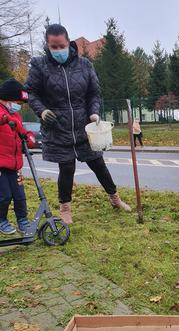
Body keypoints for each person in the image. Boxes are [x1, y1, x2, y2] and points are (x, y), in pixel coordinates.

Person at [25, 24, 131, 225]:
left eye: (61, 46)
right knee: (66, 168)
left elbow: (94, 93)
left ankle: (115, 198)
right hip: (58, 127)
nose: (58, 50)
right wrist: (42, 110)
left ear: (68, 42)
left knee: (98, 164)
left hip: (84, 128)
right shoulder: (40, 66)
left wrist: (93, 112)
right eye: (53, 47)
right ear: (48, 45)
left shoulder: (84, 65)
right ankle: (65, 208)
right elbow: (31, 92)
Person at [0, 79, 35, 235]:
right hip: (1, 164)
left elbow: (21, 130)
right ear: (7, 98)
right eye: (17, 102)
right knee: (4, 195)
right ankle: (2, 220)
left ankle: (23, 220)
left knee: (20, 195)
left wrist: (28, 137)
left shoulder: (15, 114)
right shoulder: (3, 112)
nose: (19, 106)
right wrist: (6, 119)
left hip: (15, 164)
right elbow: (2, 118)